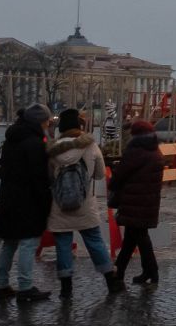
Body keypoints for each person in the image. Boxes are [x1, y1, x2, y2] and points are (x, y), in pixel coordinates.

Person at [47, 108, 122, 297]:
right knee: (94, 240)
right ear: (79, 126)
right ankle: (110, 280)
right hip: (85, 202)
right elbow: (98, 174)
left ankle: (66, 287)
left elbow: (48, 178)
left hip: (60, 204)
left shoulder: (53, 150)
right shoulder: (89, 146)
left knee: (63, 243)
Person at [0, 104, 54, 303]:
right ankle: (25, 286)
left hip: (8, 197)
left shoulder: (11, 140)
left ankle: (1, 284)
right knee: (28, 243)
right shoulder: (35, 143)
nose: (49, 124)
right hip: (28, 200)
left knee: (9, 243)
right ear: (40, 121)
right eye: (47, 121)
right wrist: (46, 201)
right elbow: (39, 177)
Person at [109, 119, 164, 287]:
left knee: (138, 236)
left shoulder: (136, 151)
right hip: (148, 202)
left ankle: (149, 271)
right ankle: (123, 271)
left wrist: (112, 181)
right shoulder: (155, 151)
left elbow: (121, 174)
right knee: (132, 238)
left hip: (134, 202)